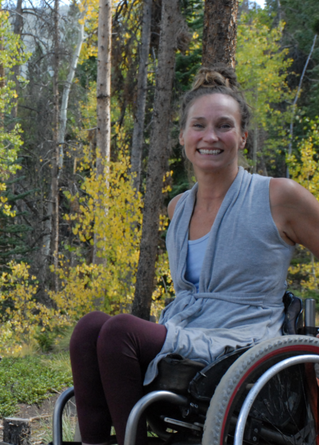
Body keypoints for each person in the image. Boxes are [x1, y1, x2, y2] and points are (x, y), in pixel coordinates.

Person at [69, 66, 319, 445]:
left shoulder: (278, 196)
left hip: (244, 335)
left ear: (243, 137)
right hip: (190, 325)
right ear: (184, 136)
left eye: (224, 126)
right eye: (199, 126)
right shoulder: (178, 208)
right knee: (90, 327)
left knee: (121, 331)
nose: (211, 137)